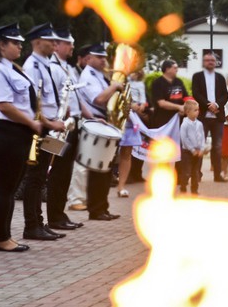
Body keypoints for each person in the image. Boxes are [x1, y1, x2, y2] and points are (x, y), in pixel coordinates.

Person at [0, 23, 39, 253]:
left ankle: (6, 236)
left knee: (11, 186)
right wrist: (31, 123)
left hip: (18, 132)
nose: (19, 46)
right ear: (1, 44)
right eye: (15, 42)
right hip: (6, 132)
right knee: (4, 188)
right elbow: (3, 105)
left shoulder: (12, 68)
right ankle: (1, 238)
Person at [21, 23, 66, 240]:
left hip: (49, 128)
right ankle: (32, 225)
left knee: (41, 178)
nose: (55, 45)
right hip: (41, 128)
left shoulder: (44, 64)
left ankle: (39, 222)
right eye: (51, 41)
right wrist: (50, 123)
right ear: (38, 41)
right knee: (35, 178)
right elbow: (32, 104)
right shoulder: (32, 66)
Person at [78, 43, 123, 221]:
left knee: (106, 170)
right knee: (98, 170)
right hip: (95, 121)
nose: (104, 60)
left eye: (104, 57)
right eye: (99, 57)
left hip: (103, 121)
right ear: (89, 59)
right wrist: (115, 87)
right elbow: (98, 99)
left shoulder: (99, 75)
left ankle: (102, 207)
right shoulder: (88, 75)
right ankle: (96, 209)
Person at [46, 28, 84, 230]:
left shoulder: (67, 68)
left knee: (65, 171)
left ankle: (59, 214)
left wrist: (89, 116)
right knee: (56, 171)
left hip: (72, 125)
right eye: (68, 43)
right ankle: (53, 217)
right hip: (59, 127)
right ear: (57, 45)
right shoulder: (53, 68)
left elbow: (76, 98)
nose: (72, 47)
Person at [192, 52, 228, 182]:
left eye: (212, 60)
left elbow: (225, 95)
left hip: (217, 117)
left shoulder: (220, 77)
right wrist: (209, 105)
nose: (210, 62)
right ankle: (197, 174)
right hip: (202, 116)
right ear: (203, 62)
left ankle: (217, 175)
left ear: (215, 62)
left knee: (218, 146)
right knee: (200, 145)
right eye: (207, 60)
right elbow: (196, 93)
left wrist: (217, 104)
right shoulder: (197, 76)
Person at [66, 44, 94, 211]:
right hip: (67, 121)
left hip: (79, 120)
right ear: (82, 58)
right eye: (89, 58)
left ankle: (78, 197)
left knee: (79, 162)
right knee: (75, 164)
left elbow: (79, 100)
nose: (91, 62)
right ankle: (75, 199)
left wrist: (91, 116)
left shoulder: (76, 72)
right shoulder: (75, 72)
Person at [116, 69, 147, 197]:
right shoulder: (119, 78)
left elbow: (143, 101)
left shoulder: (140, 84)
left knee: (127, 153)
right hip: (116, 119)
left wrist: (137, 106)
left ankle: (121, 186)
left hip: (130, 120)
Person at [150, 59, 186, 128]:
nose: (177, 70)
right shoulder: (157, 83)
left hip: (179, 119)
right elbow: (161, 103)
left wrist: (185, 109)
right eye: (175, 68)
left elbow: (186, 97)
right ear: (167, 69)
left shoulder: (179, 82)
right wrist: (179, 107)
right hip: (163, 121)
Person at [179, 99, 204, 194]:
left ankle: (194, 190)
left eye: (198, 110)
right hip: (187, 152)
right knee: (186, 172)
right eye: (195, 110)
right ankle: (183, 185)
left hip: (198, 151)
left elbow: (202, 137)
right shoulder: (185, 124)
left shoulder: (199, 124)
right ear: (187, 112)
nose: (197, 112)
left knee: (195, 172)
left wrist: (201, 148)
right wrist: (192, 149)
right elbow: (184, 139)